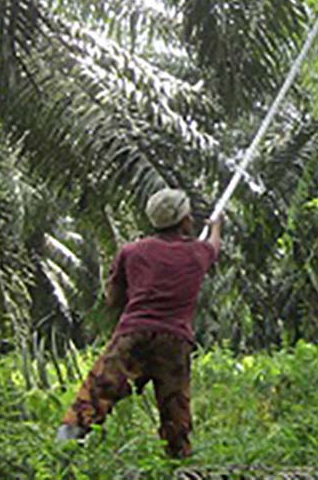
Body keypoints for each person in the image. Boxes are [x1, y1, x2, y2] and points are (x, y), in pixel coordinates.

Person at [57, 188, 223, 459]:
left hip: (132, 335)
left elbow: (113, 299)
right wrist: (216, 226)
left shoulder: (131, 251)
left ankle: (61, 453)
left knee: (96, 393)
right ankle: (177, 462)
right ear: (184, 221)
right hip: (174, 342)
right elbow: (214, 247)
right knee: (175, 410)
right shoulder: (198, 253)